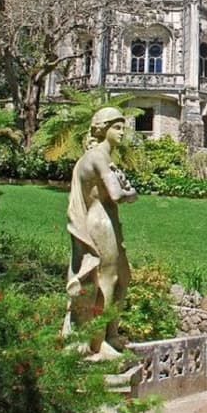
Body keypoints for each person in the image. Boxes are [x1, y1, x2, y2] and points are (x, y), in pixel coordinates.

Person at [63, 107, 137, 361]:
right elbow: (117, 194)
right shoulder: (98, 157)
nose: (122, 131)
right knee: (107, 278)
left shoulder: (104, 158)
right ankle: (98, 339)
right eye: (117, 127)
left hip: (109, 219)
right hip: (99, 221)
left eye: (122, 126)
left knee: (122, 277)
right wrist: (131, 192)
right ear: (103, 129)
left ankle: (110, 333)